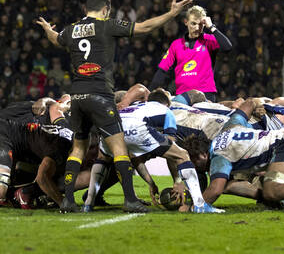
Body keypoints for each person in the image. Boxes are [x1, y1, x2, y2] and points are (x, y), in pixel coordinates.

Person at [36, 0, 192, 213]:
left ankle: (68, 201)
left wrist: (47, 29)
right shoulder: (106, 25)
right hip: (100, 95)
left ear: (85, 9)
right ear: (106, 10)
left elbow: (55, 38)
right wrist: (172, 13)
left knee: (78, 148)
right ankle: (130, 200)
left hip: (78, 97)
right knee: (119, 147)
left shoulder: (71, 30)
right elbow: (145, 27)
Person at [83, 89, 224, 214]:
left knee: (103, 158)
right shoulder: (166, 111)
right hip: (138, 128)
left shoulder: (137, 107)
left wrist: (151, 183)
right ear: (166, 104)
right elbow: (171, 144)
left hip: (113, 125)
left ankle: (88, 203)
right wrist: (177, 181)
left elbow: (134, 158)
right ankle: (200, 205)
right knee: (182, 155)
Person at [183, 98, 284, 207]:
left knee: (271, 190)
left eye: (194, 163)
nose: (195, 168)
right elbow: (249, 103)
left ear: (203, 155)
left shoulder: (219, 156)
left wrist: (193, 207)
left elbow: (215, 189)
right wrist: (256, 105)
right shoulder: (229, 127)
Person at [149, 5, 232, 102]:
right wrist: (150, 91)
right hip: (182, 96)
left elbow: (228, 47)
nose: (197, 28)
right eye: (193, 24)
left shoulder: (209, 40)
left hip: (206, 95)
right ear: (186, 22)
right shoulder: (176, 45)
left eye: (200, 24)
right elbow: (162, 71)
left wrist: (212, 27)